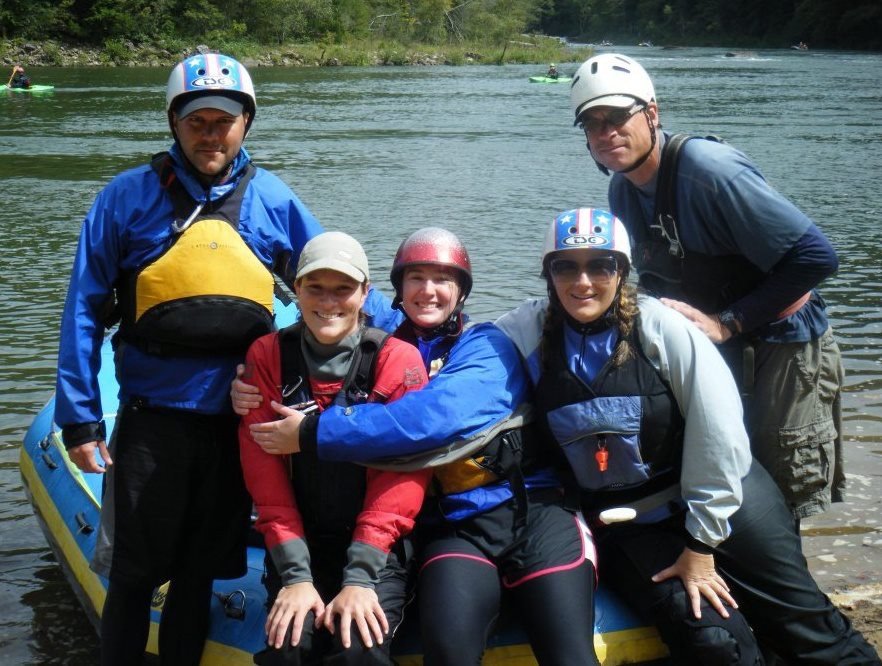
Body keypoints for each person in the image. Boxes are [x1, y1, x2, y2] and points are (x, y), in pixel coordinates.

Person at [495, 207, 880, 665]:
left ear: (622, 271)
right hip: (633, 521)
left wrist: (701, 546)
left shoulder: (660, 326)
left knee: (806, 627)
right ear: (548, 273)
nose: (583, 282)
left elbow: (719, 435)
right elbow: (457, 354)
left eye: (601, 265)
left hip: (725, 498)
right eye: (566, 266)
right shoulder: (525, 330)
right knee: (718, 643)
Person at [54, 53, 326, 666]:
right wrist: (79, 419)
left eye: (224, 120)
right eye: (196, 119)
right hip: (152, 420)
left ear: (246, 125)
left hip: (236, 424)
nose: (211, 132)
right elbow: (82, 311)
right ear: (174, 123)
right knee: (132, 576)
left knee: (199, 575)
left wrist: (412, 333)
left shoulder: (274, 200)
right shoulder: (124, 199)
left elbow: (334, 281)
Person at [237, 227, 600, 665]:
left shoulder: (486, 344)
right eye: (416, 278)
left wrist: (313, 432)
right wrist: (238, 388)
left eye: (443, 279)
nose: (428, 291)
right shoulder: (382, 340)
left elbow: (433, 418)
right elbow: (333, 323)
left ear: (462, 291)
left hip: (521, 508)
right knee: (444, 649)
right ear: (396, 288)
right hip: (450, 523)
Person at [569, 53, 845, 524]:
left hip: (782, 343)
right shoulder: (622, 189)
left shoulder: (709, 170)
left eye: (617, 117)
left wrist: (727, 323)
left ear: (652, 113)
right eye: (591, 124)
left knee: (780, 483)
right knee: (721, 467)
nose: (605, 132)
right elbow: (651, 279)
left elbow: (817, 257)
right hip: (719, 340)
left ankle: (788, 591)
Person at [239, 231, 431, 664]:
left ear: (365, 293)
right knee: (291, 650)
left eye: (343, 289)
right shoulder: (267, 354)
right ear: (297, 290)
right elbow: (263, 472)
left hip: (377, 547)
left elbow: (401, 474)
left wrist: (361, 578)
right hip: (299, 540)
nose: (329, 302)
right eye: (315, 288)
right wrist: (294, 576)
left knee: (358, 651)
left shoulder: (397, 360)